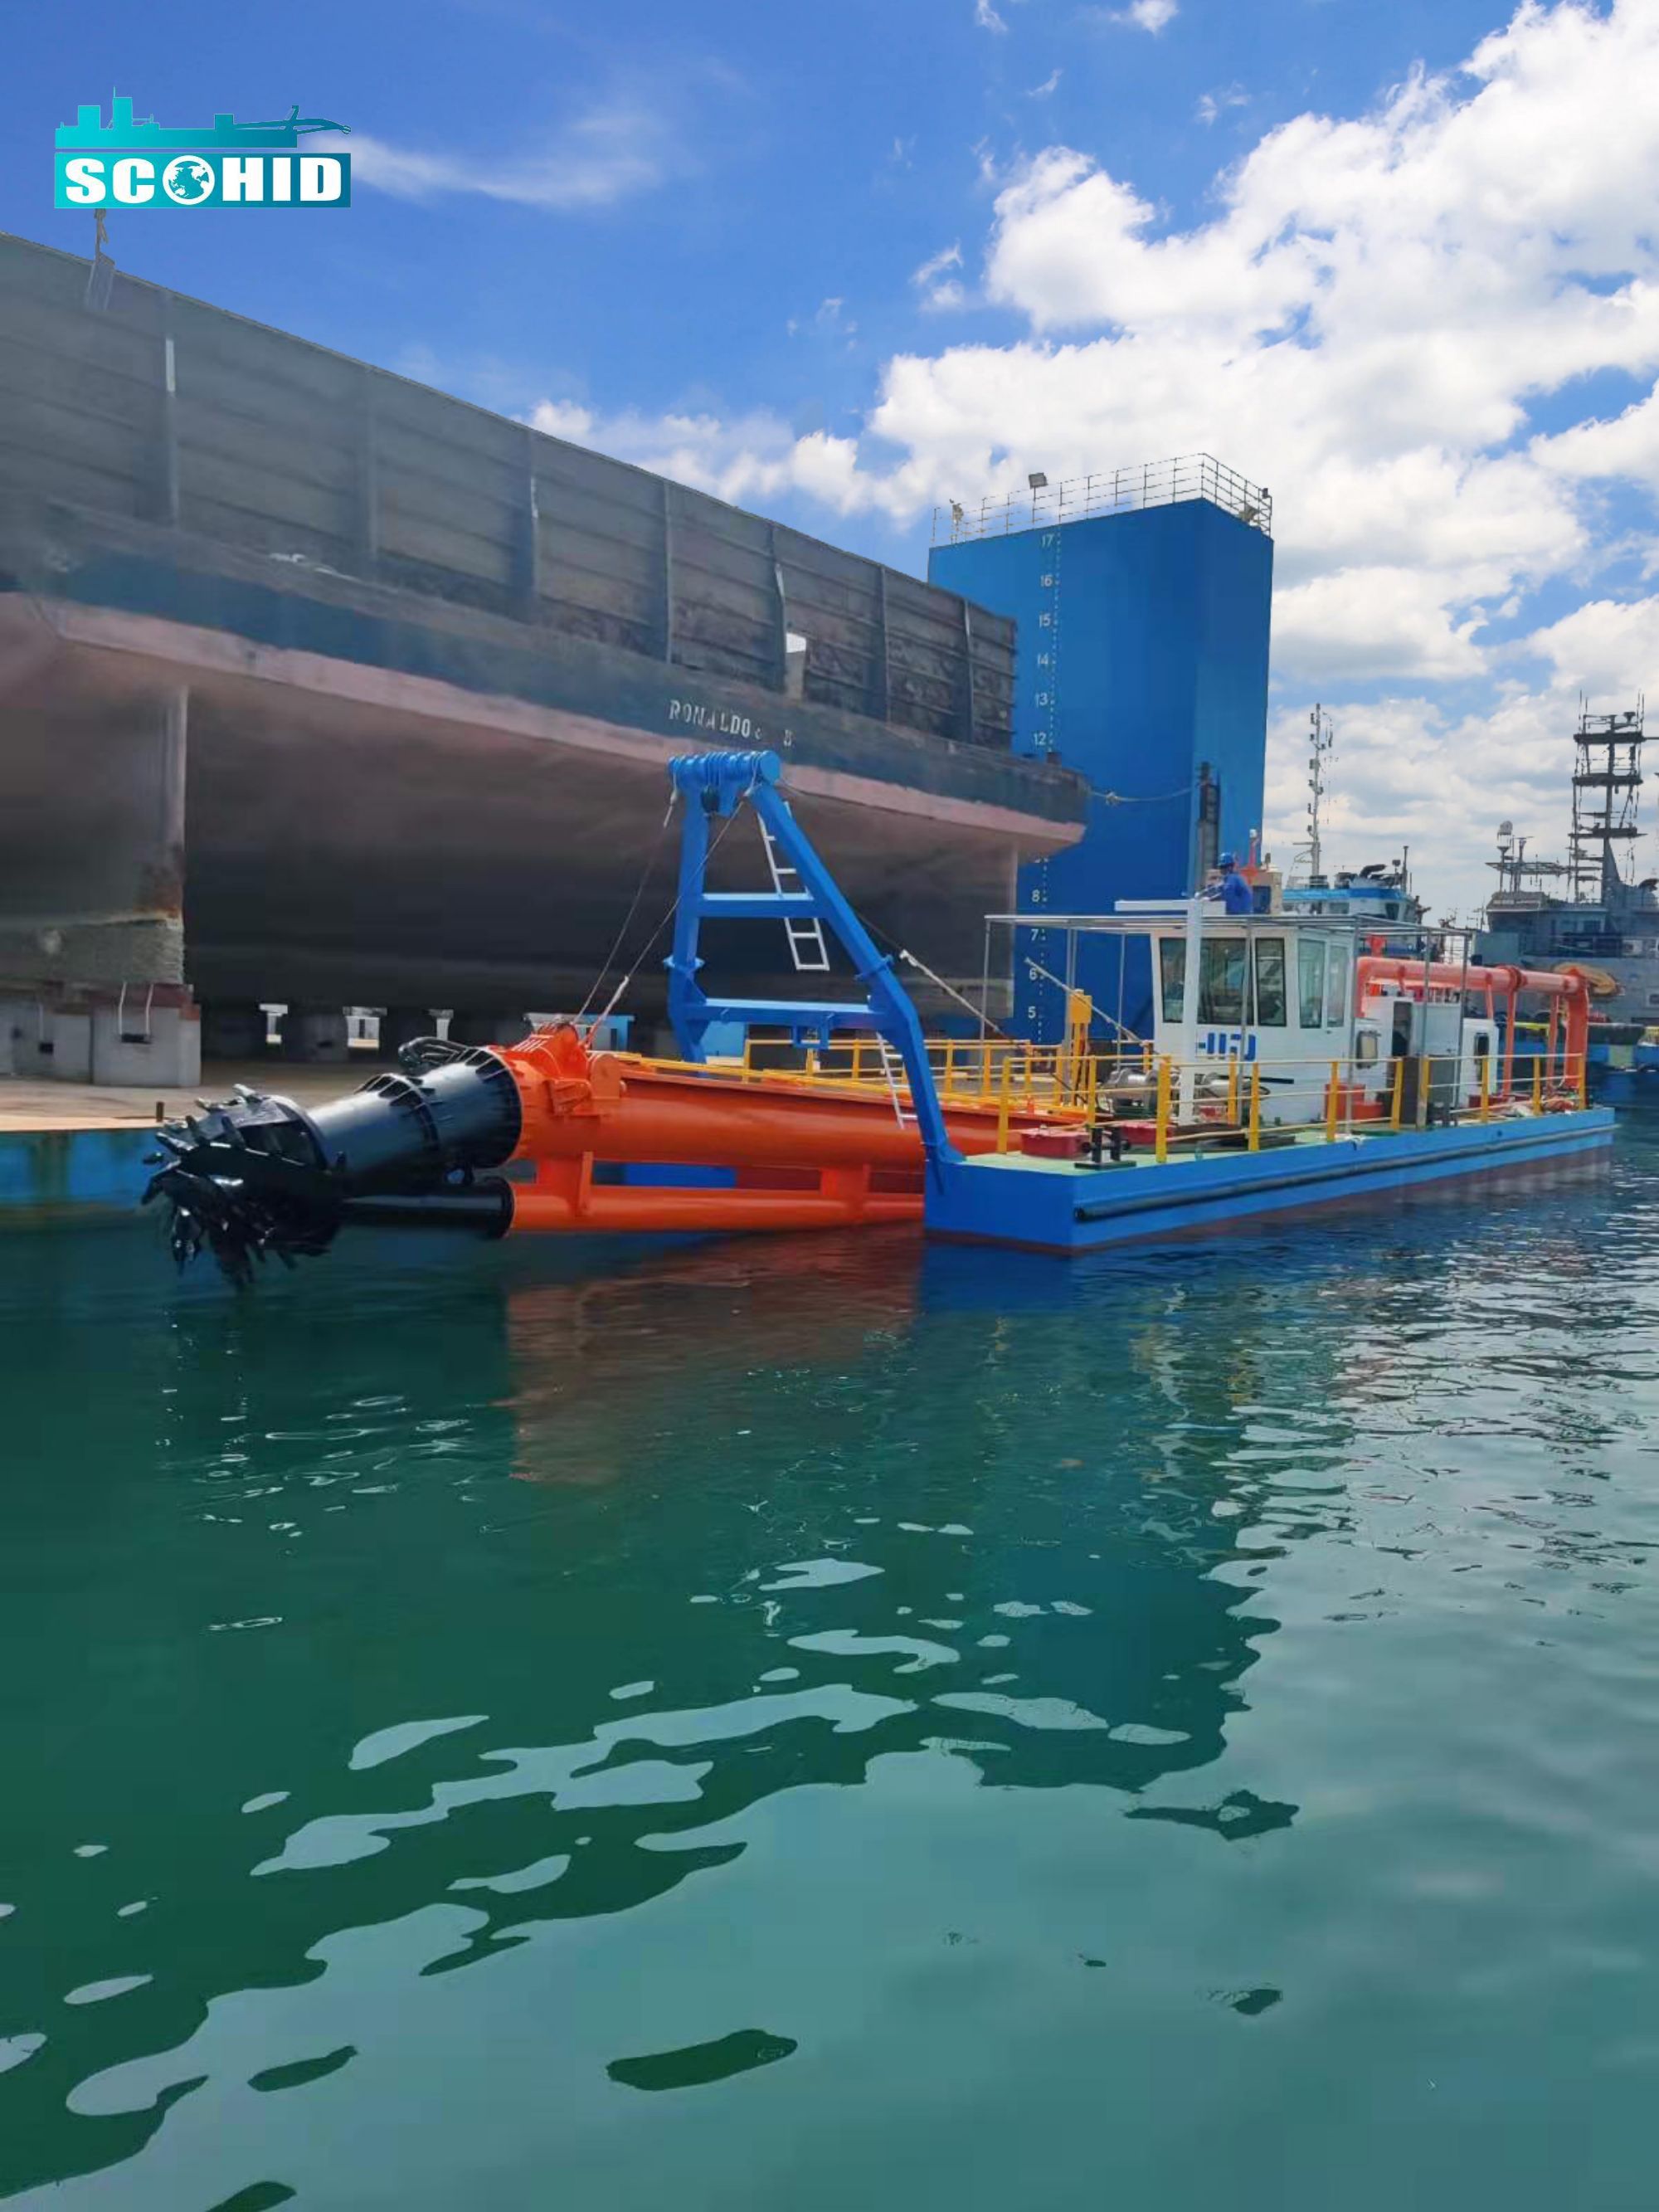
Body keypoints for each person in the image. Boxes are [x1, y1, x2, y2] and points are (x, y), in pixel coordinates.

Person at [1205, 851, 1255, 916]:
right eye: (1220, 867)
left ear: (1229, 867)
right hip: (1238, 914)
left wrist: (1209, 899)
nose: (1221, 870)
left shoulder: (1233, 878)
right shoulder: (1230, 879)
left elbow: (1226, 894)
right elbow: (1220, 889)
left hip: (1241, 915)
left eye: (1223, 867)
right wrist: (1208, 891)